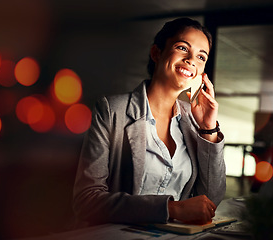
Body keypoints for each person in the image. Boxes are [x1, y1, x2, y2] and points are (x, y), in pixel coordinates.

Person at [72, 17, 226, 226]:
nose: (191, 60)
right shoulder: (112, 111)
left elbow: (210, 201)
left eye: (201, 57)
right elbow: (86, 202)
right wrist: (171, 209)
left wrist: (208, 129)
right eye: (182, 48)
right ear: (157, 53)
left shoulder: (193, 122)